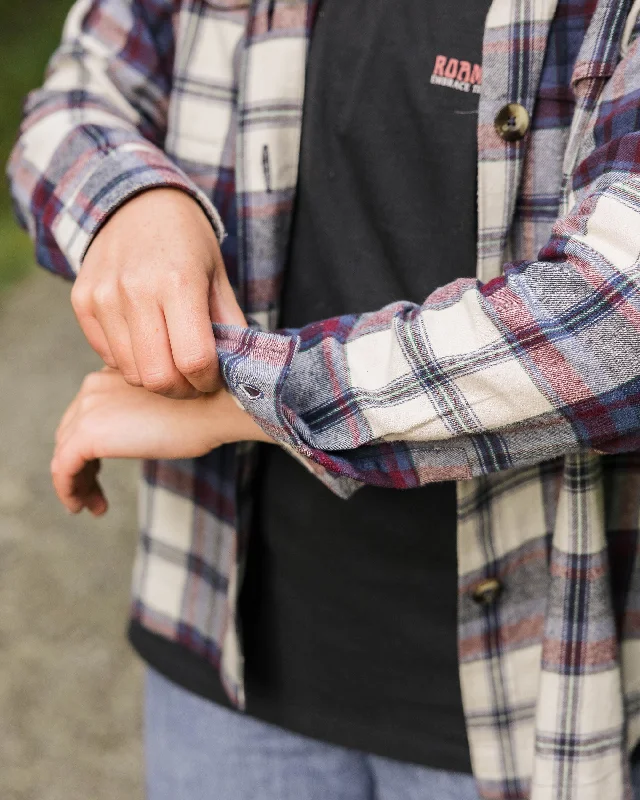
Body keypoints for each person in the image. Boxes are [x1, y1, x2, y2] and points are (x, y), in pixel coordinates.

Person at [9, 0, 640, 798]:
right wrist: (130, 204)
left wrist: (238, 394)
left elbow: (618, 317)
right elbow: (78, 93)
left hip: (538, 707)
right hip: (222, 666)